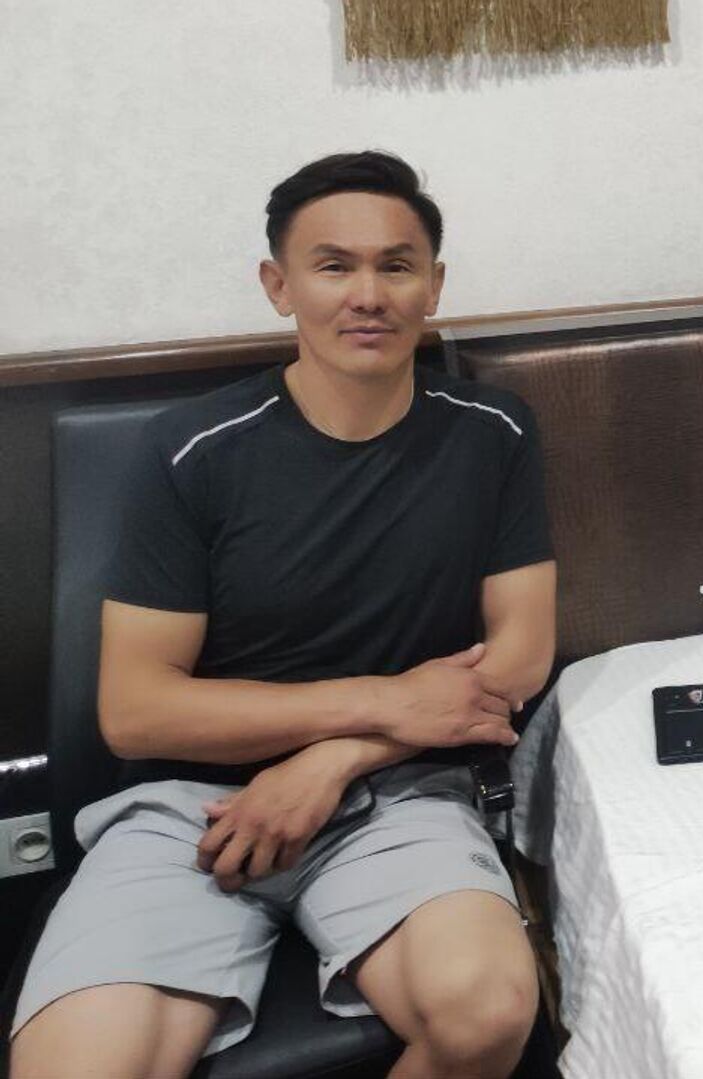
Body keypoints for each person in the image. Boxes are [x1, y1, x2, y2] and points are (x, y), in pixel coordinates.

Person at [9, 151, 555, 1079]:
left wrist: (331, 760)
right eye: (333, 265)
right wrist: (382, 701)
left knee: (491, 1010)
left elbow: (520, 655)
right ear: (279, 286)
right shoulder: (191, 448)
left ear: (433, 287)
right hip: (191, 807)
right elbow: (135, 711)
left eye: (396, 265)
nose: (368, 294)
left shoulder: (492, 431)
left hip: (397, 793)